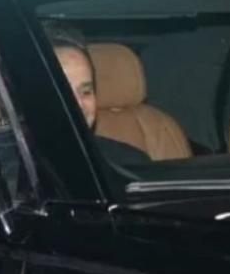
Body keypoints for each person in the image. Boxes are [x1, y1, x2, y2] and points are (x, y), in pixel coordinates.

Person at [42, 22, 151, 170]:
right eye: (62, 92)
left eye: (86, 92)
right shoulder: (14, 170)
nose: (78, 105)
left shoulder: (130, 163)